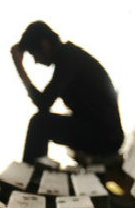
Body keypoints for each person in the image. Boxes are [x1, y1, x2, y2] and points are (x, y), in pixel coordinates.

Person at [11, 20, 124, 164]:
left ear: (44, 45)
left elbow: (44, 103)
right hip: (103, 133)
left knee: (39, 124)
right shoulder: (68, 57)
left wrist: (19, 68)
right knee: (40, 122)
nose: (36, 61)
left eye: (34, 54)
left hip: (105, 137)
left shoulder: (68, 59)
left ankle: (29, 179)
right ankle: (32, 176)